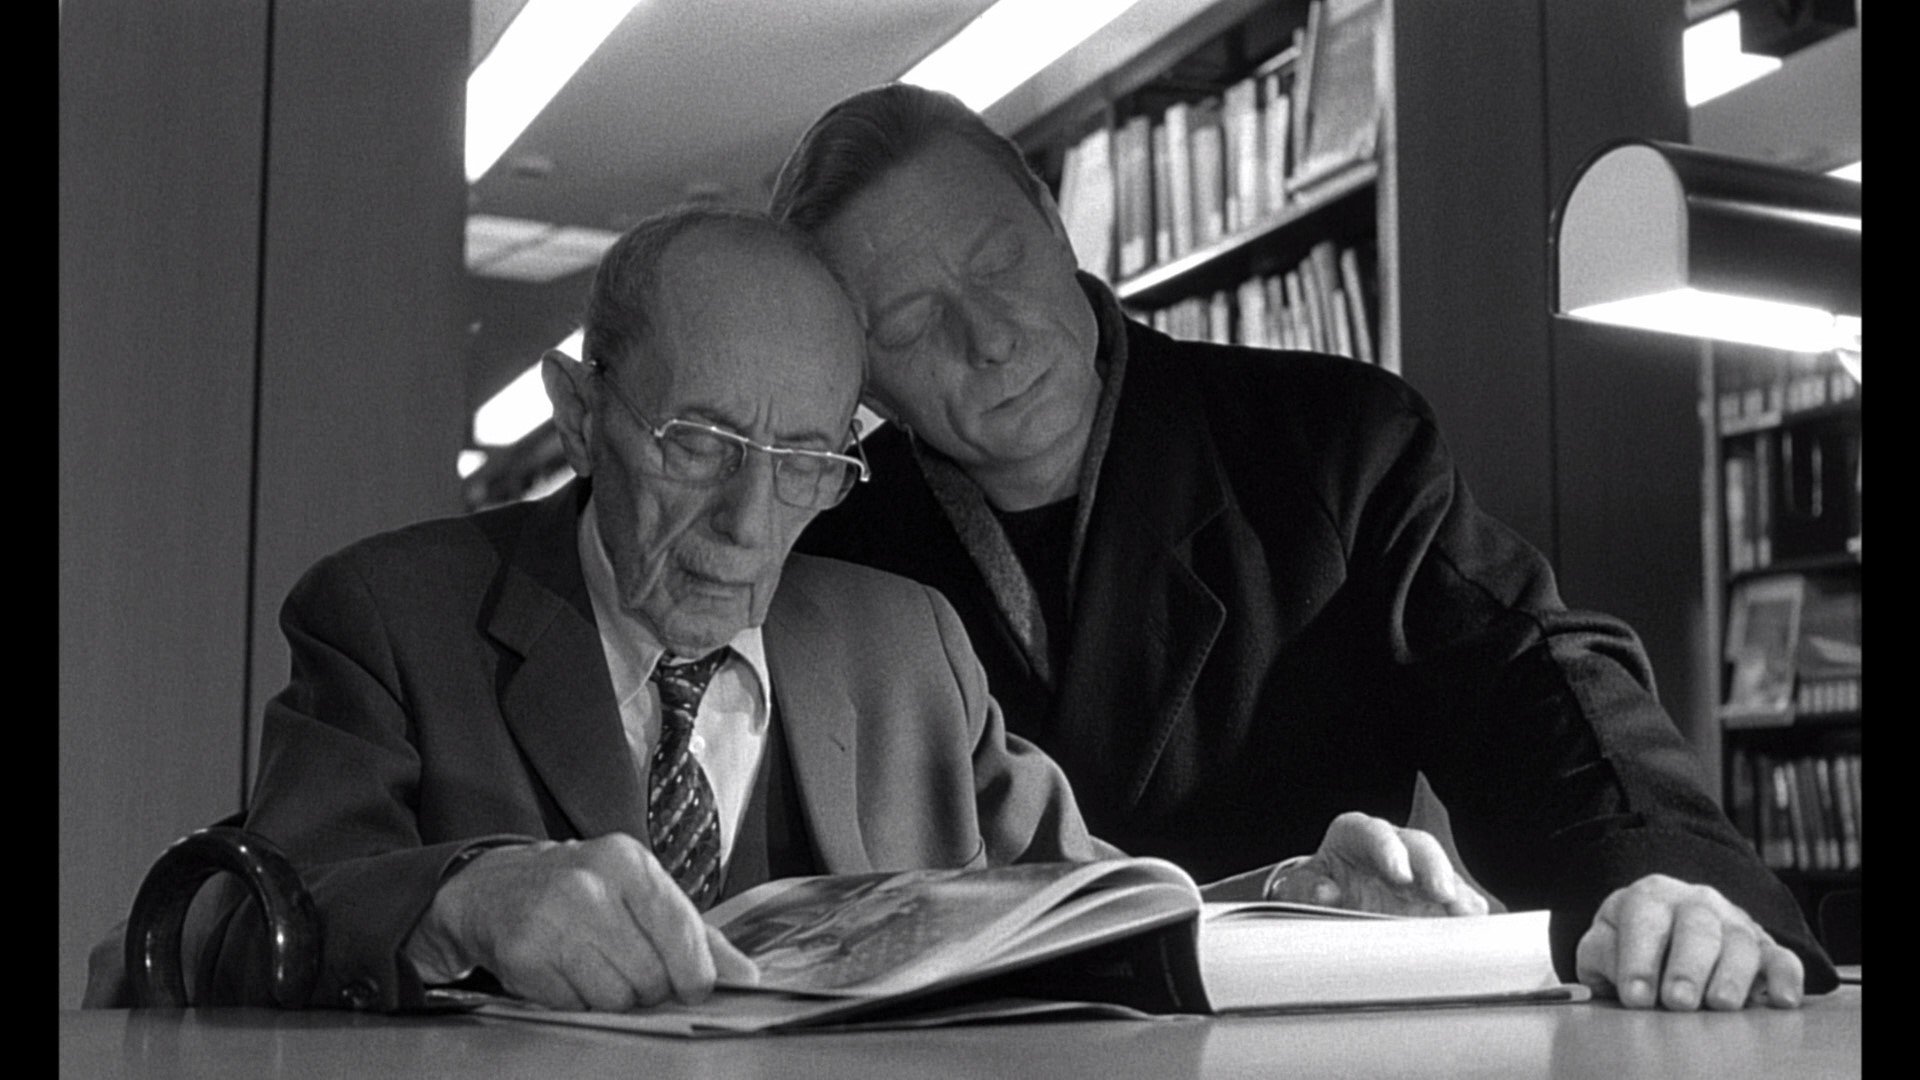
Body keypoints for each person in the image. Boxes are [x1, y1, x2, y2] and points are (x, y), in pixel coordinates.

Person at [146, 206, 1473, 1014]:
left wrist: (1292, 911)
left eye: (806, 464)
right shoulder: (392, 614)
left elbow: (1090, 911)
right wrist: (462, 899)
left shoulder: (908, 648)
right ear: (582, 412)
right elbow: (229, 929)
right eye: (700, 443)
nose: (748, 521)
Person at [770, 83, 1837, 1012]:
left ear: (1055, 223)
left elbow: (1530, 680)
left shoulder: (1329, 444)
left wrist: (1655, 879)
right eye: (910, 324)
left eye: (999, 261)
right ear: (862, 379)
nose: (990, 338)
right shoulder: (827, 559)